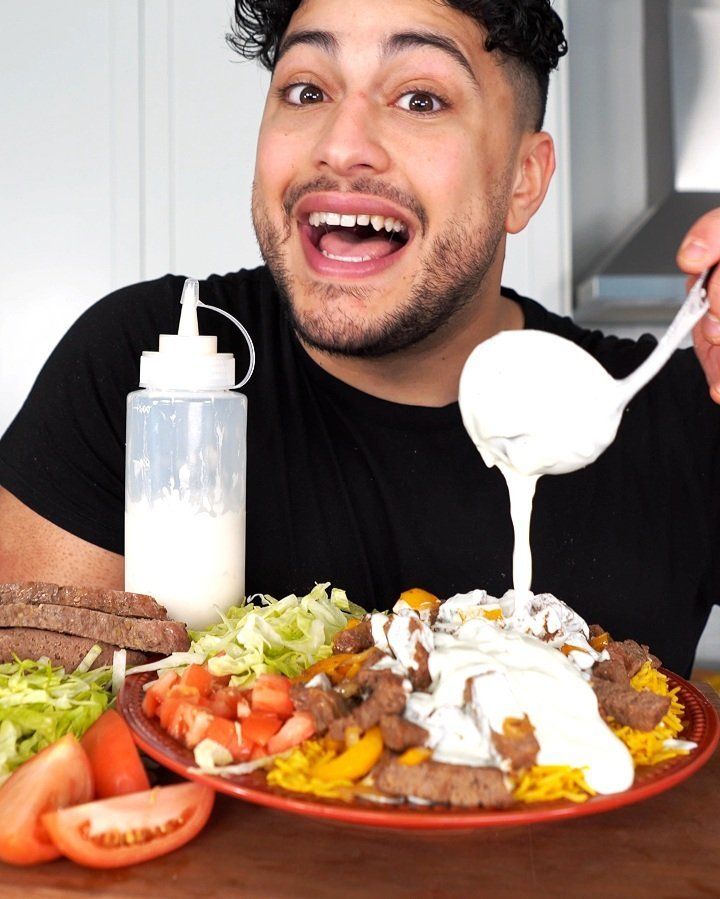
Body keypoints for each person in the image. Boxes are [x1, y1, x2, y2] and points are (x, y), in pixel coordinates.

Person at [0, 0, 718, 676]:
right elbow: (49, 750)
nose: (341, 146)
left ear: (524, 181)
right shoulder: (141, 365)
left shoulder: (681, 421)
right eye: (307, 91)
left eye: (420, 99)